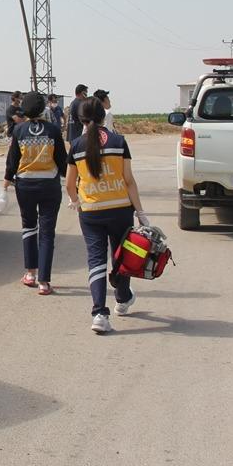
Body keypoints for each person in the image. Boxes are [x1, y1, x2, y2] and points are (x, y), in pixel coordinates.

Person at [66, 97, 149, 334]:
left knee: (96, 260)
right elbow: (129, 180)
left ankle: (99, 313)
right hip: (121, 209)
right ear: (104, 117)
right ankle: (122, 299)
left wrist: (75, 202)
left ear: (80, 120)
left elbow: (70, 184)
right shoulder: (119, 141)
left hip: (91, 211)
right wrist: (141, 212)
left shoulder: (76, 145)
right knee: (121, 256)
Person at [3, 92, 67, 296]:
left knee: (29, 227)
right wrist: (74, 182)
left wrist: (5, 182)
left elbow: (12, 160)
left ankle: (30, 273)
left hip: (25, 186)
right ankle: (44, 282)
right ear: (43, 110)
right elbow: (62, 161)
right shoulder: (53, 130)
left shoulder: (19, 131)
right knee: (47, 233)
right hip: (49, 185)